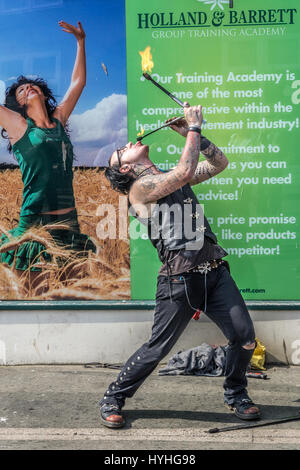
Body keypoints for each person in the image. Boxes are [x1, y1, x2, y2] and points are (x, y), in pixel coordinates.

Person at [100, 103, 260, 429]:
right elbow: (184, 172)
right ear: (127, 170)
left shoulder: (170, 178)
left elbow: (219, 163)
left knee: (245, 338)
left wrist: (194, 138)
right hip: (178, 283)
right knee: (157, 349)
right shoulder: (139, 190)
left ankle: (236, 393)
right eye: (122, 151)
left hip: (214, 273)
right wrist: (193, 128)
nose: (129, 144)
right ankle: (113, 396)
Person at [0, 21, 95, 284]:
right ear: (16, 105)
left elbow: (78, 82)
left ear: (43, 93)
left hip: (69, 221)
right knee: (35, 295)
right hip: (34, 225)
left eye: (32, 86)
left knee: (74, 294)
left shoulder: (59, 120)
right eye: (21, 91)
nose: (28, 89)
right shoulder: (19, 126)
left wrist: (80, 42)